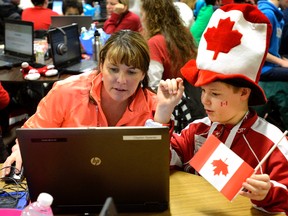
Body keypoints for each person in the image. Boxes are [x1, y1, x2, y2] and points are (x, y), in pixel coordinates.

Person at [153, 4, 288, 214]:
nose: (205, 101)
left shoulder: (273, 142)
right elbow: (159, 164)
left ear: (244, 93)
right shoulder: (197, 130)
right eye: (203, 91)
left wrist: (268, 193)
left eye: (215, 94)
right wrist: (163, 114)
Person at [2, 30, 181, 176]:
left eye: (131, 72)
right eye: (113, 69)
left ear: (143, 74)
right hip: (68, 179)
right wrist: (21, 151)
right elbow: (31, 135)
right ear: (101, 66)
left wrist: (163, 112)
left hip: (124, 186)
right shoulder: (66, 91)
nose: (121, 80)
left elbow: (158, 165)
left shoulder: (154, 105)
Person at [140, 0, 205, 133]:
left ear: (149, 16)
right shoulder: (183, 35)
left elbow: (153, 84)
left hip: (172, 108)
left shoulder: (155, 43)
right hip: (194, 101)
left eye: (142, 14)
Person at [255, 0, 288, 131]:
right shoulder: (267, 14)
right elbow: (258, 50)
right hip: (264, 70)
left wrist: (282, 59)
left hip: (270, 66)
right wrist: (281, 62)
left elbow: (272, 49)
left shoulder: (275, 16)